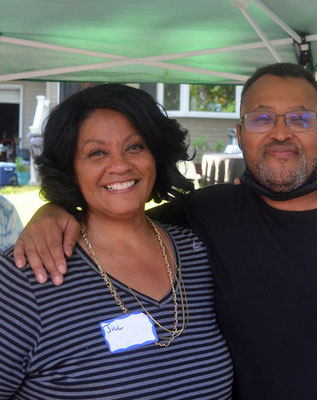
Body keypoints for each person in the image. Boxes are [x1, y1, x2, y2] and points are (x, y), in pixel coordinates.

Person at [14, 64, 317, 399]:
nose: (281, 132)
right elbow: (117, 208)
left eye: (301, 118)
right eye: (262, 118)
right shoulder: (206, 217)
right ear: (240, 134)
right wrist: (54, 209)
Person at [0, 84, 233, 398]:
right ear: (70, 171)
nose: (120, 165)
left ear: (156, 155)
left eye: (135, 146)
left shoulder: (197, 254)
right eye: (97, 152)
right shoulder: (26, 275)